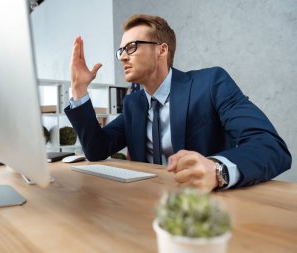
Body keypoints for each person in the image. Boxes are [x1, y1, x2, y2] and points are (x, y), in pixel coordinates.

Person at [64, 14, 291, 191]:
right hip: (148, 204)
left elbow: (271, 147)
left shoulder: (210, 83)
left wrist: (217, 169)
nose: (123, 56)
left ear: (162, 50)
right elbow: (96, 149)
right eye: (121, 50)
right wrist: (79, 89)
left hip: (207, 208)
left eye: (131, 47)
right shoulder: (134, 103)